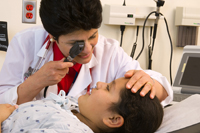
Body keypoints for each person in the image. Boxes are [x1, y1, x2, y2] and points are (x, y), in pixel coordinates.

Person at [0, 0, 172, 106]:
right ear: (52, 35)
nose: (88, 50)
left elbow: (163, 90)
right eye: (76, 43)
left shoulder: (109, 51)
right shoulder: (24, 42)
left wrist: (149, 83)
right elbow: (2, 102)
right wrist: (35, 82)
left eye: (93, 36)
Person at [1, 77, 163, 133]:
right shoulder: (76, 108)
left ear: (113, 119)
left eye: (107, 88)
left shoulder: (71, 130)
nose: (99, 83)